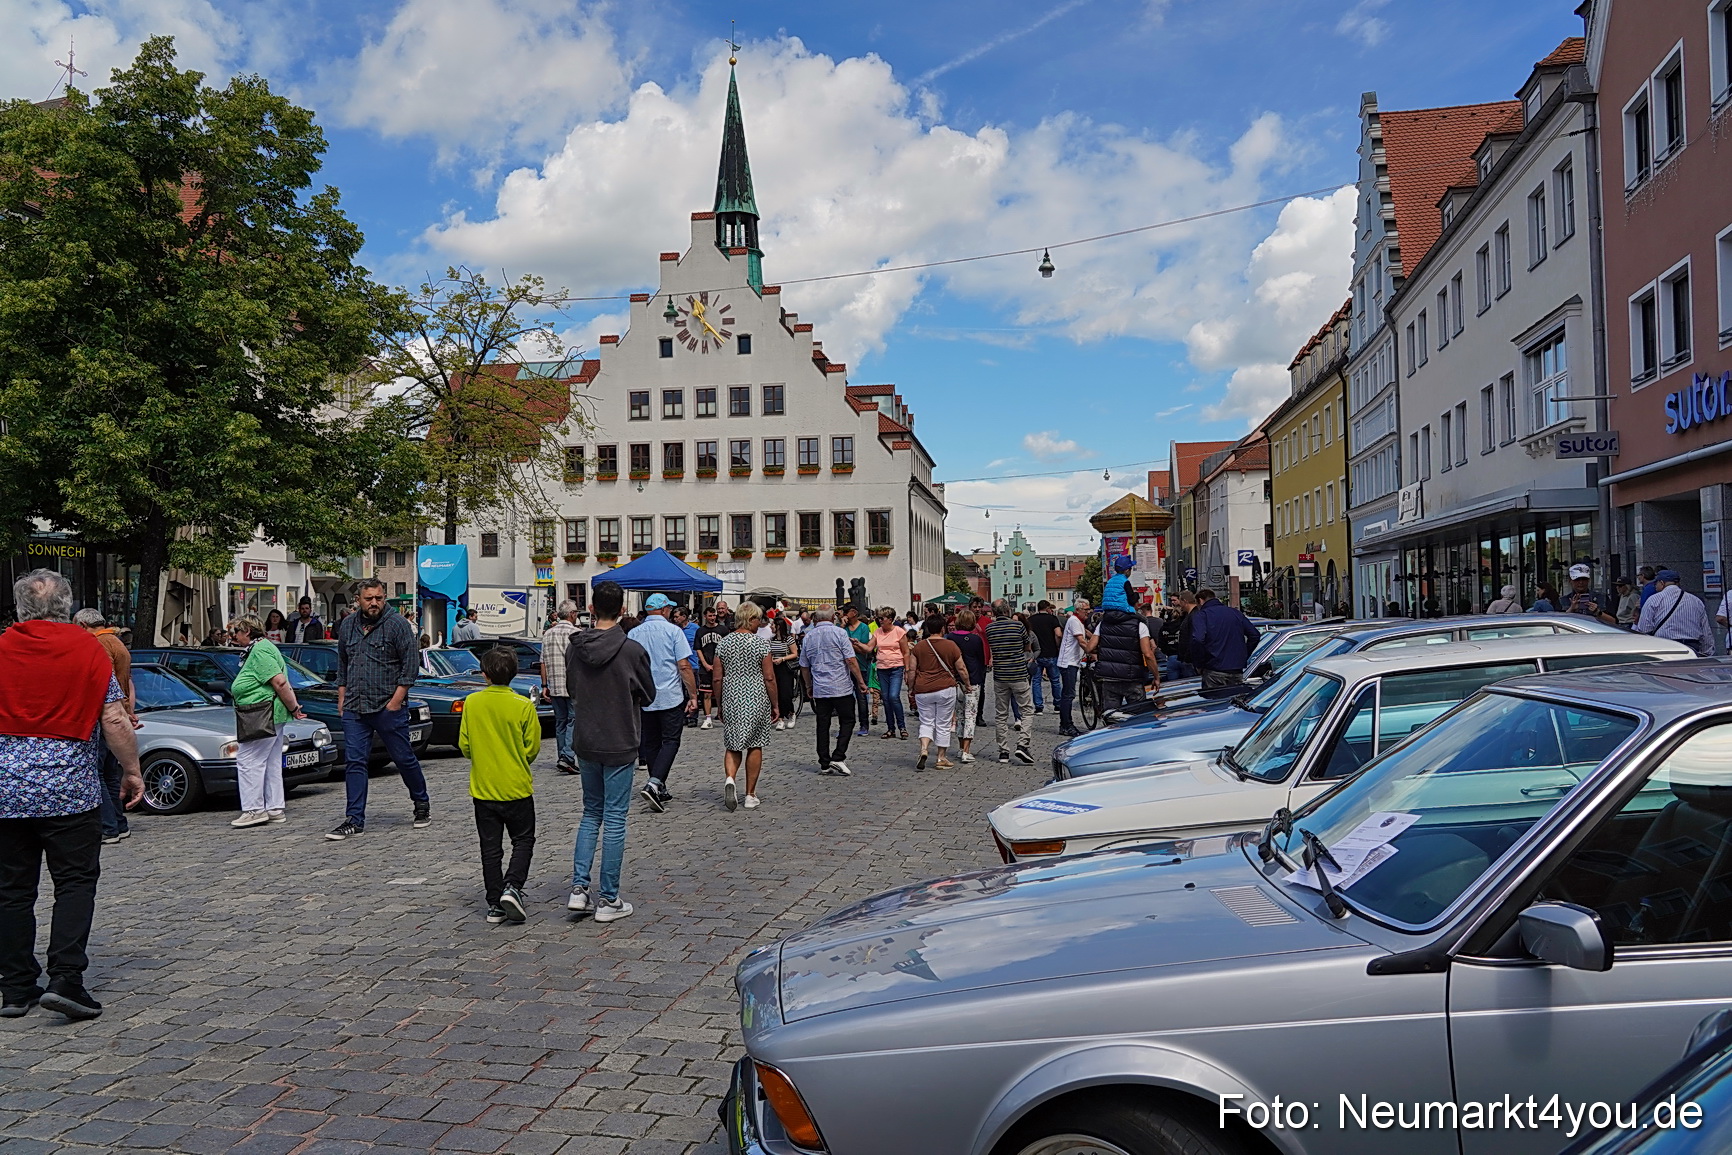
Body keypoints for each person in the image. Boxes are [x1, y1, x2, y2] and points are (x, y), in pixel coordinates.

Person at [0, 569, 143, 1020]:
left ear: (20, 606)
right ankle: (66, 979)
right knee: (75, 884)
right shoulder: (90, 649)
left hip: (6, 793)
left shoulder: (1, 647)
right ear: (66, 605)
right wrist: (132, 771)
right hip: (71, 792)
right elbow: (115, 719)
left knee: (12, 891)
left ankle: (16, 987)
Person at [566, 581, 654, 924]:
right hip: (619, 737)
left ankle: (578, 888)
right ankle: (608, 898)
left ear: (591, 607)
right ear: (622, 610)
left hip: (586, 737)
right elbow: (648, 693)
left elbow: (572, 688)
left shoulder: (576, 648)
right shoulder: (631, 650)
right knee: (615, 818)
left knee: (591, 814)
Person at [327, 577, 429, 840]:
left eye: (379, 598)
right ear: (358, 600)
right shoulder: (348, 625)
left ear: (384, 597)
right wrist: (341, 698)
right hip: (354, 707)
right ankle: (354, 819)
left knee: (404, 758)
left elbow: (410, 668)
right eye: (369, 598)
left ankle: (421, 803)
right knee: (355, 762)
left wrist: (395, 702)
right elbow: (343, 666)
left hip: (387, 706)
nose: (374, 603)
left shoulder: (398, 625)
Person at [459, 647, 540, 924]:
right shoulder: (523, 705)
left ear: (485, 675)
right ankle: (513, 886)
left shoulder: (472, 703)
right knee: (523, 839)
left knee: (490, 847)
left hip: (483, 788)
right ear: (514, 673)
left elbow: (465, 746)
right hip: (516, 786)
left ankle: (494, 902)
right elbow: (532, 749)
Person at [226, 615, 306, 829]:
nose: (234, 636)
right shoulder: (262, 648)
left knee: (248, 759)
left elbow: (280, 682)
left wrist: (294, 707)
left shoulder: (260, 651)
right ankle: (274, 807)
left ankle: (254, 809)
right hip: (270, 713)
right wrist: (292, 707)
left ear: (248, 632)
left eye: (237, 632)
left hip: (262, 713)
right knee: (270, 760)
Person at [631, 594, 698, 812]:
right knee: (671, 741)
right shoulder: (673, 631)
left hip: (645, 696)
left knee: (651, 742)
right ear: (664, 610)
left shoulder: (634, 633)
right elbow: (684, 665)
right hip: (669, 695)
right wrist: (693, 695)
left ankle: (659, 785)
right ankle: (654, 782)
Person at [73, 610, 134, 846]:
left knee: (99, 774)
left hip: (103, 717)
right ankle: (119, 824)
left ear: (83, 624)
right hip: (118, 712)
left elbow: (102, 682)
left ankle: (109, 827)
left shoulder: (98, 644)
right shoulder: (116, 641)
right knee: (109, 773)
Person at [715, 602, 777, 810]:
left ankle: (730, 778)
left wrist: (720, 704)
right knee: (755, 743)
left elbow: (717, 678)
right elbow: (769, 677)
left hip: (732, 696)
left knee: (733, 744)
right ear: (750, 619)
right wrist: (775, 704)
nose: (760, 623)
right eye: (758, 619)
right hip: (756, 697)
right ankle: (750, 794)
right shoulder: (760, 644)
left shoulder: (724, 643)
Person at [798, 608, 865, 776]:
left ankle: (824, 762)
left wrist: (808, 686)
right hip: (840, 686)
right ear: (833, 617)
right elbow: (850, 660)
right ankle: (838, 755)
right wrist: (861, 681)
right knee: (848, 720)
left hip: (820, 688)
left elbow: (804, 666)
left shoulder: (809, 637)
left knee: (823, 725)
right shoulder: (840, 633)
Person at [906, 616, 969, 771]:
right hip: (945, 688)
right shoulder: (951, 645)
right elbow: (961, 668)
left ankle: (924, 749)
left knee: (926, 721)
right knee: (943, 723)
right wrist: (967, 684)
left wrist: (910, 687)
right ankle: (941, 758)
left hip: (923, 689)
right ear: (943, 628)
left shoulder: (919, 646)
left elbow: (912, 670)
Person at [1083, 597, 1159, 714]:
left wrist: (1103, 652)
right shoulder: (1139, 625)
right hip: (1132, 678)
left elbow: (1089, 648)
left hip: (1109, 677)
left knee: (1112, 717)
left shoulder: (1102, 624)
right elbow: (1148, 654)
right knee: (1137, 718)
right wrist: (1156, 677)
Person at [983, 600, 1035, 764]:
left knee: (1001, 714)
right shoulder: (1018, 626)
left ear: (993, 612)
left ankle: (1003, 751)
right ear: (1007, 610)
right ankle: (1022, 744)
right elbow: (1027, 647)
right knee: (1026, 710)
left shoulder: (989, 629)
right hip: (1018, 673)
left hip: (1000, 675)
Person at [1182, 588, 1261, 691]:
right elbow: (1254, 635)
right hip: (1235, 669)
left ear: (1200, 601)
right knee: (1235, 703)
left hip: (1213, 669)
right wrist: (1243, 655)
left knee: (1215, 702)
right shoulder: (1235, 613)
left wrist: (1199, 663)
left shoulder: (1202, 615)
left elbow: (1197, 639)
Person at [1634, 569, 1716, 656]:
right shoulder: (1696, 600)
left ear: (1662, 583)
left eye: (1656, 583)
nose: (1655, 586)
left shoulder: (1653, 599)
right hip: (1691, 648)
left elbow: (1644, 629)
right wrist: (1706, 653)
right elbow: (1706, 631)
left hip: (1664, 647)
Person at [540, 600, 580, 774]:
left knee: (561, 722)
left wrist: (544, 685)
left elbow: (543, 662)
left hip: (555, 685)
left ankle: (562, 755)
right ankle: (567, 756)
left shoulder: (548, 634)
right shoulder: (576, 633)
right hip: (573, 686)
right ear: (572, 615)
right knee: (573, 720)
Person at [946, 610, 987, 763]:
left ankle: (960, 747)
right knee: (970, 715)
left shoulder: (950, 638)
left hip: (955, 680)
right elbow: (981, 659)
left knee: (960, 715)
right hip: (973, 679)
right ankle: (966, 751)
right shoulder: (976, 639)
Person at [1055, 598, 1092, 737]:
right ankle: (1066, 725)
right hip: (1068, 662)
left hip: (1072, 661)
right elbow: (1081, 641)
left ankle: (1065, 724)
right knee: (1068, 694)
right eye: (1085, 610)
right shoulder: (1074, 621)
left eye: (1088, 609)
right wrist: (1091, 651)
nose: (1088, 613)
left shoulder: (1078, 622)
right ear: (1077, 610)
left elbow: (1087, 634)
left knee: (1068, 694)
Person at [870, 608, 909, 740]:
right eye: (879, 619)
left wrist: (907, 670)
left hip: (896, 668)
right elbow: (869, 647)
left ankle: (902, 726)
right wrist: (857, 644)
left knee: (893, 696)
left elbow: (906, 652)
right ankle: (890, 728)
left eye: (882, 618)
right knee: (885, 699)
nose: (880, 621)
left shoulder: (899, 632)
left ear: (890, 619)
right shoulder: (878, 632)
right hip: (882, 668)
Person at [843, 605, 875, 737]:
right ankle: (846, 725)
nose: (844, 615)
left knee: (861, 697)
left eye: (846, 612)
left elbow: (863, 649)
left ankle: (864, 724)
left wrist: (848, 645)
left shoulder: (863, 627)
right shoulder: (843, 628)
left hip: (860, 666)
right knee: (845, 698)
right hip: (844, 668)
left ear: (854, 613)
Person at [1026, 601, 1062, 715]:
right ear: (1047, 608)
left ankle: (1039, 707)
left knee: (1036, 681)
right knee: (1055, 680)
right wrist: (1057, 646)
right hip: (1051, 652)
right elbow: (1058, 634)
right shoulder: (1053, 619)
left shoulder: (1031, 620)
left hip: (1037, 655)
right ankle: (1058, 705)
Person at [694, 608, 725, 730]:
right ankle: (708, 718)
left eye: (714, 615)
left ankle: (723, 715)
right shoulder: (700, 631)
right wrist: (705, 664)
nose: (712, 618)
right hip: (705, 667)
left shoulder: (723, 630)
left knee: (723, 692)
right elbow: (698, 649)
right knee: (706, 693)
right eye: (710, 615)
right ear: (705, 616)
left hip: (721, 666)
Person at [768, 615, 800, 731]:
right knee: (777, 693)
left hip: (785, 667)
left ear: (778, 626)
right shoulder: (771, 640)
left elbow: (794, 653)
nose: (771, 627)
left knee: (786, 694)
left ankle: (791, 712)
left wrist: (782, 659)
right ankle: (780, 719)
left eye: (773, 625)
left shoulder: (788, 639)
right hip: (774, 667)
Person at [1156, 593, 1197, 681]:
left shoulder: (1165, 627)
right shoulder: (1185, 623)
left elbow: (1161, 644)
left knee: (1172, 684)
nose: (1172, 602)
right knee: (1189, 684)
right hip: (1185, 658)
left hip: (1172, 657)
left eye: (1174, 600)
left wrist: (1168, 652)